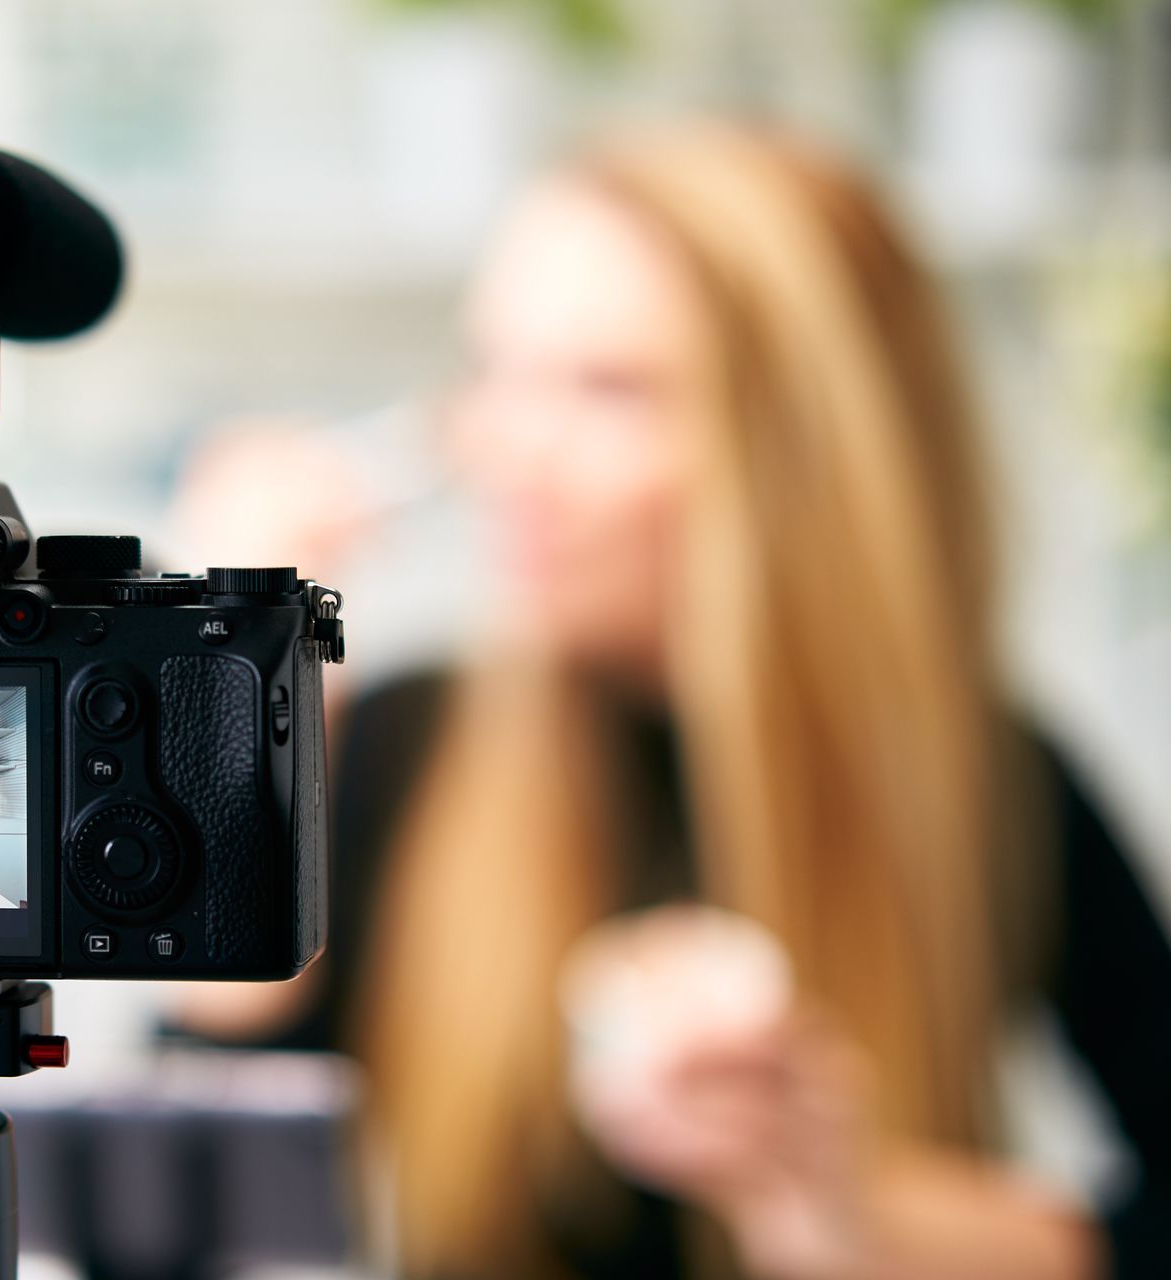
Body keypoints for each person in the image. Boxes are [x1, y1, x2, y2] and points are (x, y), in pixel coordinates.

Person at [171, 122, 1171, 1279]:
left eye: (611, 389)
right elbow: (163, 1238)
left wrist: (863, 1212)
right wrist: (231, 753)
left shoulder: (987, 784)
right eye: (492, 370)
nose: (501, 448)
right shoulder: (403, 743)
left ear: (810, 448)